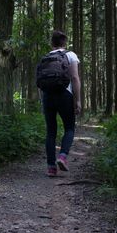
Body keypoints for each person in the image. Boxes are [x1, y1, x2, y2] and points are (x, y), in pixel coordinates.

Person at [40, 30, 81, 177]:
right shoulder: (70, 55)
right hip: (65, 95)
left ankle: (51, 168)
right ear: (65, 42)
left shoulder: (46, 57)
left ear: (52, 43)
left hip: (48, 96)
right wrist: (77, 100)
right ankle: (63, 156)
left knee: (51, 131)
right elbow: (75, 78)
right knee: (69, 127)